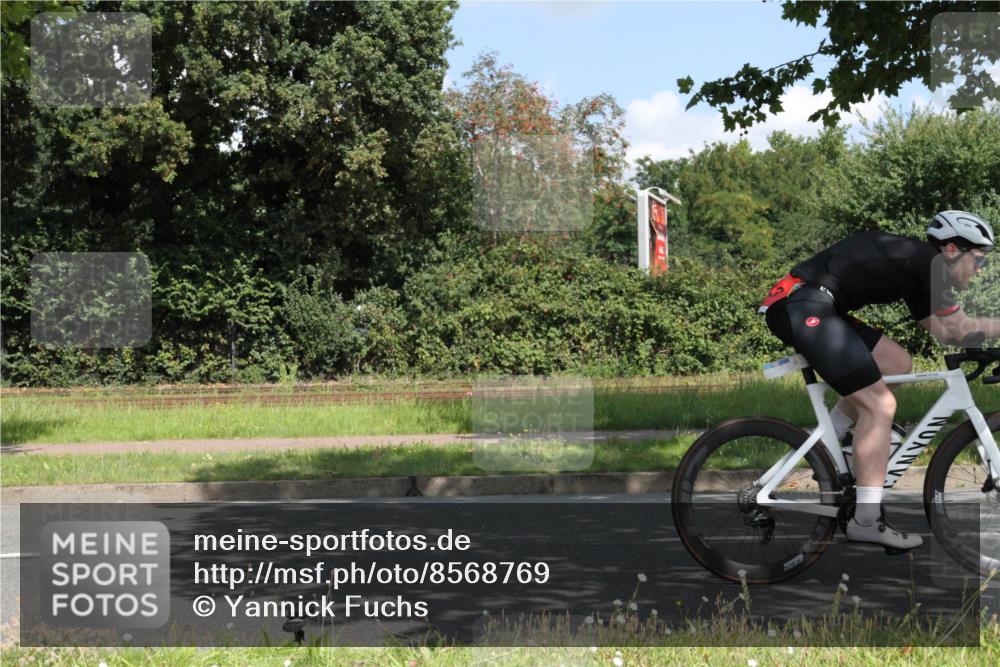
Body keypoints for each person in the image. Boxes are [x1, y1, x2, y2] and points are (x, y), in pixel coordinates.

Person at [758, 211, 998, 550]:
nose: (979, 270)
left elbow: (947, 333)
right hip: (803, 304)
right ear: (952, 250)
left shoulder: (919, 273)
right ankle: (866, 520)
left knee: (897, 362)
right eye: (979, 261)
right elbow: (959, 327)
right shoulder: (927, 264)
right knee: (880, 405)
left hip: (808, 304)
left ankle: (831, 446)